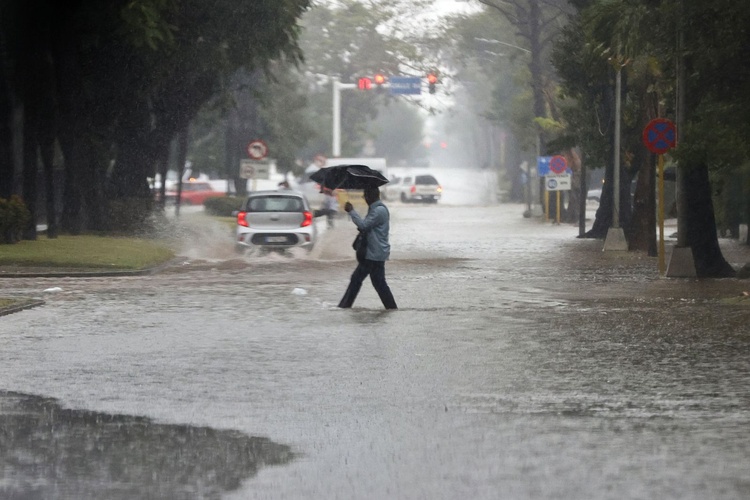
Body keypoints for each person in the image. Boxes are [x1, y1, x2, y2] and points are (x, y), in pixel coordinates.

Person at [338, 187, 397, 310]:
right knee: (379, 283)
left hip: (373, 254)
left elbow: (364, 226)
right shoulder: (376, 209)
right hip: (376, 253)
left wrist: (352, 211)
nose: (364, 199)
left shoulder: (378, 211)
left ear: (370, 197)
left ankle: (344, 307)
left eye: (365, 196)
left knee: (357, 279)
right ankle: (392, 309)